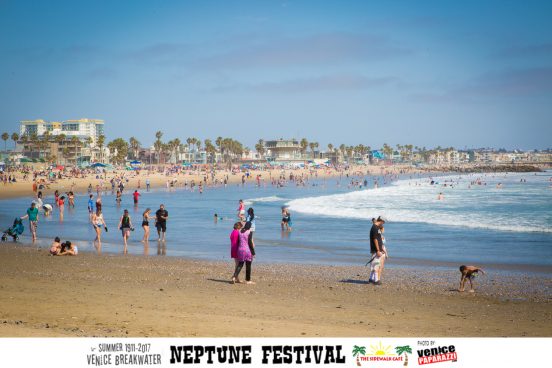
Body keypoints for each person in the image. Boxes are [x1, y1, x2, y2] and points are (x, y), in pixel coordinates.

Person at [368, 216, 387, 285]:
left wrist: (382, 249)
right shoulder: (375, 228)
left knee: (375, 264)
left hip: (378, 249)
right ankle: (376, 280)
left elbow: (379, 238)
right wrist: (378, 250)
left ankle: (371, 279)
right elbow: (375, 239)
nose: (383, 224)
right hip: (376, 250)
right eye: (383, 222)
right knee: (376, 264)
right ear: (381, 221)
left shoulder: (376, 227)